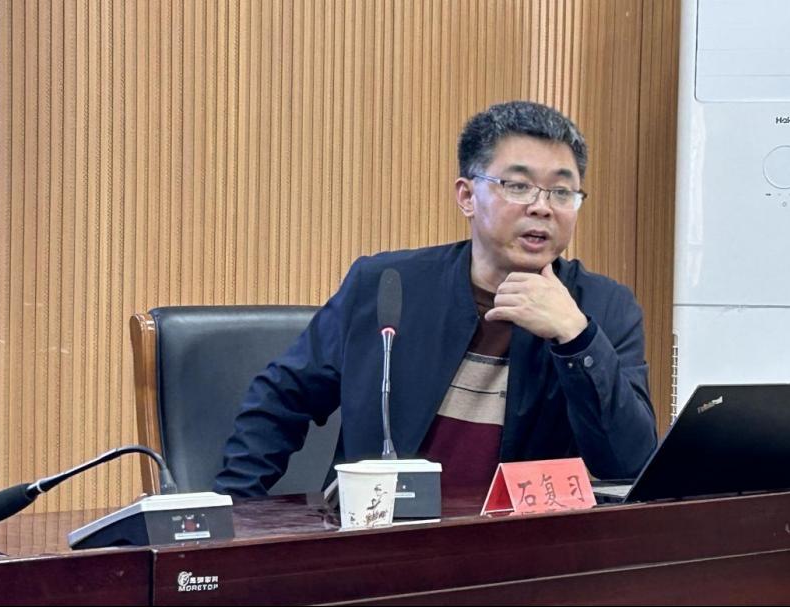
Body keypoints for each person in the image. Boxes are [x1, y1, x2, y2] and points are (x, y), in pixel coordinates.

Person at [215, 101, 657, 499]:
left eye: (561, 192)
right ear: (467, 196)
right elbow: (281, 398)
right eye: (518, 186)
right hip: (382, 539)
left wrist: (576, 339)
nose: (542, 207)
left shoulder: (603, 309)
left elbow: (628, 463)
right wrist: (234, 511)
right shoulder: (387, 285)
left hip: (522, 550)